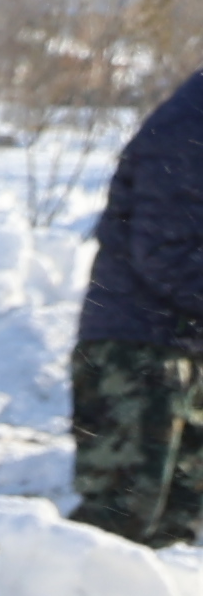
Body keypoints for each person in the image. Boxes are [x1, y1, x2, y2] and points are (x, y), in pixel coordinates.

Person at [77, 62, 203, 548]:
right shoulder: (188, 128)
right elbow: (164, 250)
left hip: (180, 347)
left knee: (174, 527)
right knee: (122, 521)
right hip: (137, 351)